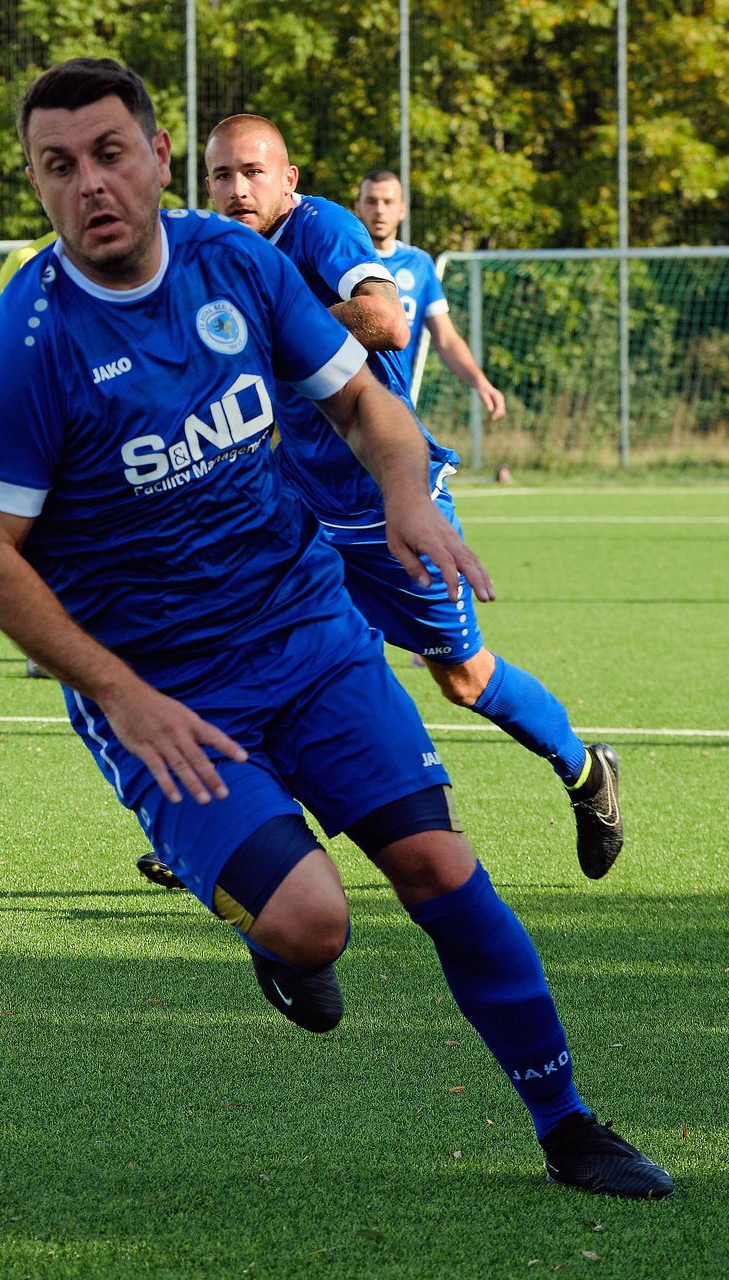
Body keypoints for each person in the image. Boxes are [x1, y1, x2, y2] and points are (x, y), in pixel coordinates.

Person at [0, 56, 670, 1199]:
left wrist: (405, 493)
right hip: (166, 690)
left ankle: (568, 1123)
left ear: (158, 158)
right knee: (312, 921)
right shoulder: (24, 347)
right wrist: (120, 694)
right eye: (58, 165)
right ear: (36, 183)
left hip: (307, 630)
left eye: (110, 153)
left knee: (440, 865)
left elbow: (364, 398)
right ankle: (273, 933)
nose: (90, 183)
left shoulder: (237, 262)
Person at [203, 115, 623, 883]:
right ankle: (238, 827)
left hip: (389, 504)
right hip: (304, 507)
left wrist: (276, 335)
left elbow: (386, 321)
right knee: (256, 650)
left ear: (288, 180)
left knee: (464, 678)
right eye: (222, 175)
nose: (238, 189)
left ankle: (586, 773)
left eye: (253, 172)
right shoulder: (227, 254)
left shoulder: (322, 228)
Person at [352, 169, 507, 420]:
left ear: (402, 210)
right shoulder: (342, 258)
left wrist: (481, 383)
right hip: (342, 404)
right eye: (371, 201)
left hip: (397, 405)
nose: (379, 210)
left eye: (388, 202)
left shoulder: (419, 263)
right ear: (358, 207)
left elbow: (446, 339)